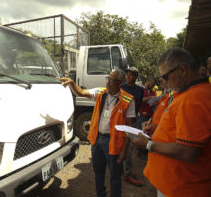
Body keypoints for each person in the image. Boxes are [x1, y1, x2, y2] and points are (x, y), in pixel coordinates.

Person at [132, 47, 211, 197]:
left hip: (181, 188)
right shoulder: (189, 94)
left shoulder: (193, 99)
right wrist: (157, 129)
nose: (164, 81)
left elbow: (188, 151)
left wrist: (148, 144)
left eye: (166, 77)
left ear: (182, 70)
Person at [58, 69, 135, 197]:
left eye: (111, 80)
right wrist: (72, 83)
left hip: (114, 143)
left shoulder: (128, 100)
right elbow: (81, 92)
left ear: (120, 83)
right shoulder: (100, 92)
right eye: (108, 78)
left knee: (115, 177)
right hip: (97, 141)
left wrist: (124, 151)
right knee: (98, 173)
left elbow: (129, 128)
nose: (107, 82)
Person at [121, 67, 144, 186]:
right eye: (127, 75)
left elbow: (138, 105)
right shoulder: (121, 87)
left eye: (130, 75)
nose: (127, 77)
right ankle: (127, 172)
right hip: (120, 122)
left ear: (135, 77)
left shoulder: (140, 90)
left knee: (129, 148)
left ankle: (127, 171)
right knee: (122, 146)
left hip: (132, 122)